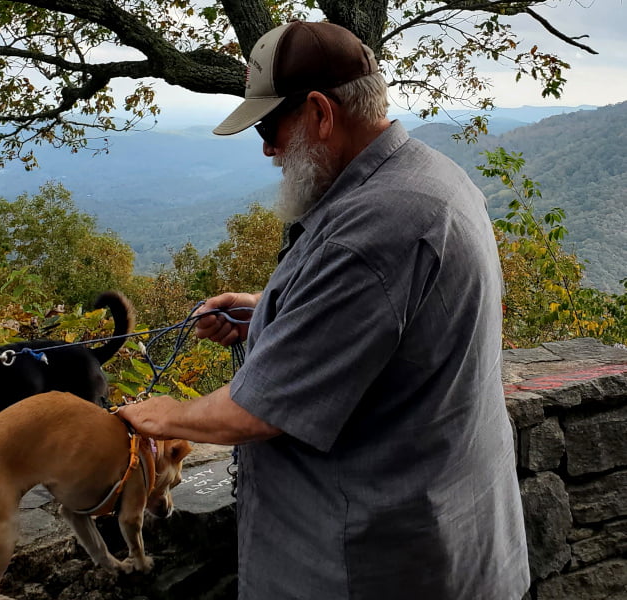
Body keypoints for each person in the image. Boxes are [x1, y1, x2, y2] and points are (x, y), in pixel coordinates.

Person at [116, 20, 530, 600]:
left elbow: (255, 413)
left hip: (373, 565)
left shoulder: (371, 231)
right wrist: (268, 312)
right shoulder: (430, 177)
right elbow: (393, 317)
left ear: (320, 112)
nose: (267, 149)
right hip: (452, 542)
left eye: (269, 125)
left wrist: (161, 415)